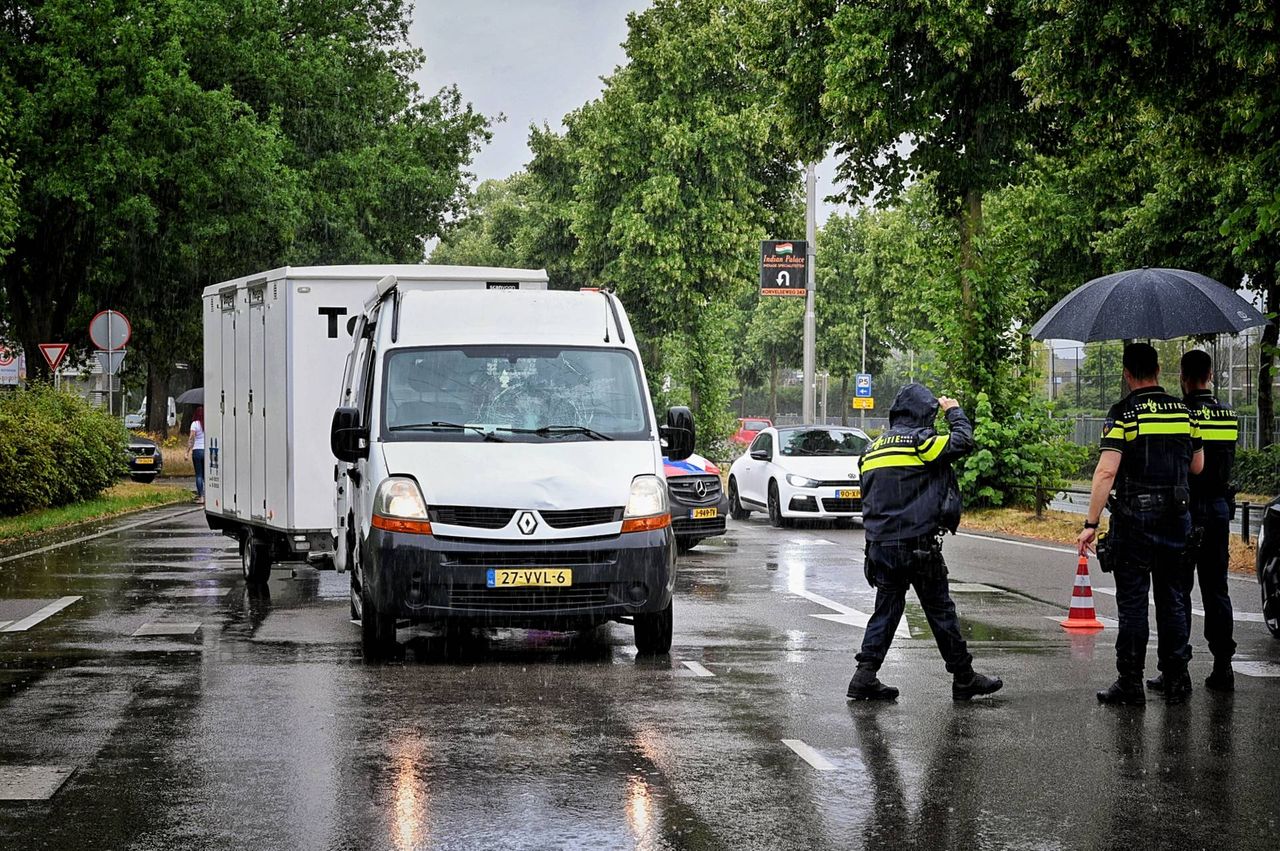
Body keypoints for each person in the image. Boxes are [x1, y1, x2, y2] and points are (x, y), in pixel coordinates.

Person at [846, 383, 1003, 702]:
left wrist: (872, 547)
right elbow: (962, 442)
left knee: (887, 610)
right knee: (940, 610)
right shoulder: (920, 441)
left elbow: (871, 500)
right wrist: (954, 411)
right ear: (923, 414)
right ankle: (963, 677)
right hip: (916, 543)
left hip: (881, 545)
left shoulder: (872, 450)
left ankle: (864, 675)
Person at [1078, 343, 1204, 705]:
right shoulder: (1184, 412)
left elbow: (1106, 471)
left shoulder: (1124, 413)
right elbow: (1197, 467)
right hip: (1178, 519)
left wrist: (1091, 522)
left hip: (1135, 521)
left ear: (1127, 374)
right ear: (1159, 371)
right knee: (1174, 599)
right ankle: (1177, 677)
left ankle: (1130, 682)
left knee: (1133, 603)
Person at [1146, 350, 1236, 692]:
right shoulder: (1229, 415)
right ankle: (1223, 665)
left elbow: (1184, 461)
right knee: (1217, 589)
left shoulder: (1183, 415)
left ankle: (1177, 669)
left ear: (1184, 377)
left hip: (1187, 509)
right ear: (1210, 375)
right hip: (1219, 509)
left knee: (1176, 590)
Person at [188, 406, 205, 505]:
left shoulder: (195, 424)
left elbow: (192, 438)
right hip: (207, 451)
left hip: (197, 451)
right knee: (206, 475)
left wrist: (187, 451)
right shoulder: (208, 423)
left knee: (199, 474)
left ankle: (201, 497)